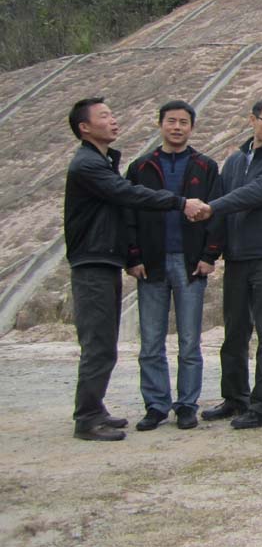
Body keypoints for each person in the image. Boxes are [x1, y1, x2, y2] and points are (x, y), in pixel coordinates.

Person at [64, 97, 206, 441]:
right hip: (95, 261)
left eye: (112, 114)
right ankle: (88, 418)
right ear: (85, 127)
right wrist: (179, 203)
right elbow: (128, 197)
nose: (113, 120)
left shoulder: (102, 162)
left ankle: (97, 410)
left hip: (107, 260)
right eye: (104, 116)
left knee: (109, 342)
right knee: (100, 343)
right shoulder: (89, 165)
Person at [196, 99, 262, 430]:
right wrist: (210, 253)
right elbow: (224, 211)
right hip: (237, 256)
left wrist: (212, 207)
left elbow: (257, 193)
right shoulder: (234, 162)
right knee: (235, 331)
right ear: (252, 120)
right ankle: (235, 397)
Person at [125, 100, 221, 432]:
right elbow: (128, 213)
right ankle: (156, 405)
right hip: (151, 263)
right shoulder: (141, 167)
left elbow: (216, 214)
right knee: (151, 340)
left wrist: (209, 256)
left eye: (183, 122)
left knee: (190, 340)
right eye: (171, 121)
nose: (177, 127)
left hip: (190, 262)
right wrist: (133, 257)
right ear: (160, 124)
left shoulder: (205, 166)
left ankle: (187, 405)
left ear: (192, 127)